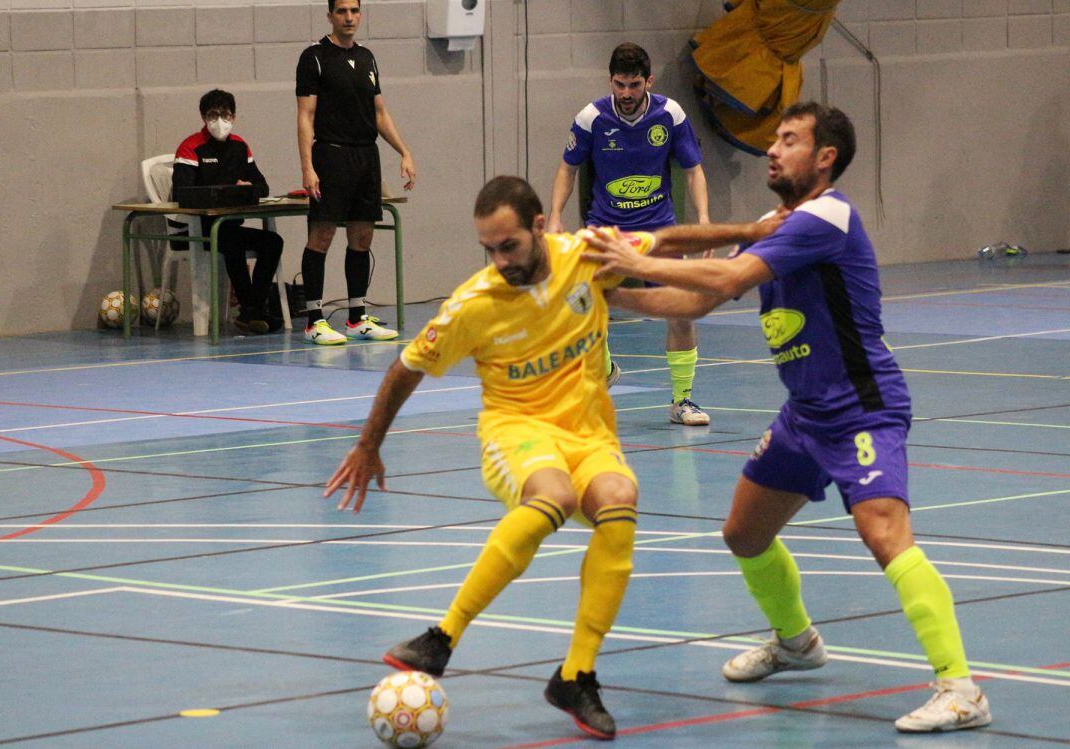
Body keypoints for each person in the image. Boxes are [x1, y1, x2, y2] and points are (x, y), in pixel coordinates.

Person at [581, 102, 993, 734]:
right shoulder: (785, 221)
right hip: (806, 412)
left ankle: (961, 688)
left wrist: (634, 259)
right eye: (774, 138)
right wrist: (615, 291)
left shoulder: (828, 215)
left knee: (884, 535)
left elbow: (726, 274)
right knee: (744, 534)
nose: (773, 148)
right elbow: (705, 288)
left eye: (789, 139)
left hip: (862, 406)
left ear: (824, 158)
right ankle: (797, 643)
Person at [324, 176, 775, 740]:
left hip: (588, 433)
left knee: (620, 499)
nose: (499, 259)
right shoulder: (473, 303)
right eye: (488, 248)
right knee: (555, 496)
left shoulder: (583, 255)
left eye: (507, 245)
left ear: (540, 227)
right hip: (516, 430)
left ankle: (576, 675)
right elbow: (405, 368)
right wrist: (369, 443)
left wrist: (752, 233)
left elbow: (665, 239)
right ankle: (440, 639)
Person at [547, 42, 713, 426]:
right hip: (606, 230)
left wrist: (703, 220)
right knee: (581, 307)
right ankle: (602, 371)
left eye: (633, 85)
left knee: (682, 313)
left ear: (648, 81)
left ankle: (683, 401)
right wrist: (555, 215)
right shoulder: (591, 118)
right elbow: (567, 169)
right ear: (611, 82)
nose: (625, 93)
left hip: (658, 233)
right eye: (619, 84)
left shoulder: (670, 115)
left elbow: (693, 171)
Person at [295, 0, 417, 345]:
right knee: (321, 237)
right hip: (330, 155)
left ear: (360, 15)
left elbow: (379, 112)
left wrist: (404, 151)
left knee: (362, 236)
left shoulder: (367, 58)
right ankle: (314, 319)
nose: (349, 17)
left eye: (354, 11)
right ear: (330, 15)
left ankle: (356, 317)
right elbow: (305, 116)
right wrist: (308, 166)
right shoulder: (314, 57)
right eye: (342, 11)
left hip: (367, 156)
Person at [172, 89, 284, 335]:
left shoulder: (241, 146)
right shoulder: (190, 147)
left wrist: (249, 188)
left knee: (273, 242)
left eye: (225, 115)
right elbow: (182, 193)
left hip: (229, 225)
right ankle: (253, 311)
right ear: (204, 117)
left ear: (233, 117)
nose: (219, 121)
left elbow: (262, 187)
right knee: (232, 243)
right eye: (213, 115)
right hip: (197, 229)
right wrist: (228, 192)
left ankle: (251, 310)